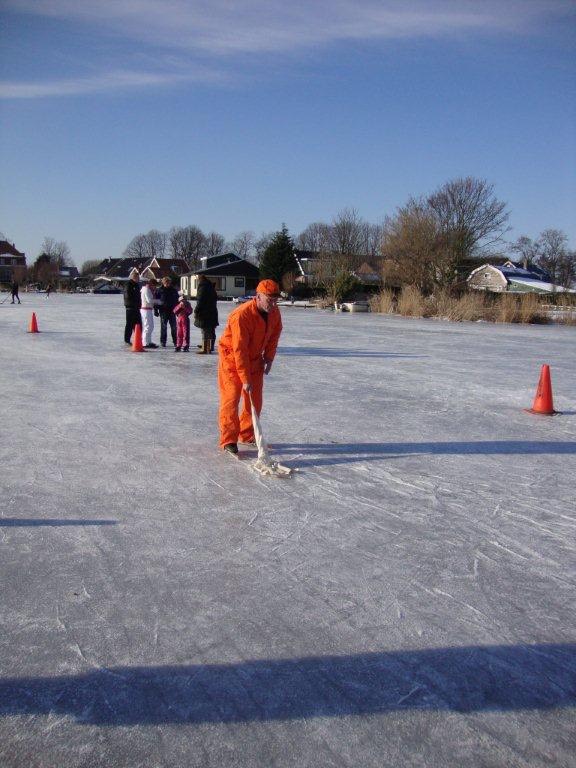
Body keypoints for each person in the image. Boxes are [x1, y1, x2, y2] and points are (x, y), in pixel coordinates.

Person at [217, 279, 282, 454]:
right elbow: (239, 350)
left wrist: (269, 358)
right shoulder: (242, 315)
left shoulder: (275, 313)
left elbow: (274, 335)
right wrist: (245, 379)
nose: (273, 304)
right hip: (232, 359)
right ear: (258, 296)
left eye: (276, 300)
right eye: (270, 299)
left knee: (255, 400)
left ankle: (246, 434)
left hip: (255, 360)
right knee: (231, 399)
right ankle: (229, 439)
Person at [194, 275, 219, 355]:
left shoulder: (203, 287)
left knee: (205, 330)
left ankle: (205, 349)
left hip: (204, 312)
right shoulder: (211, 287)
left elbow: (200, 300)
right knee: (210, 330)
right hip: (212, 311)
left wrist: (196, 310)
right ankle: (209, 347)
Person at [123, 271, 142, 345]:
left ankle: (138, 339)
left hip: (136, 308)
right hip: (130, 308)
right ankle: (127, 340)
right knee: (129, 324)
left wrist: (139, 304)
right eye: (137, 277)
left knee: (138, 324)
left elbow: (138, 296)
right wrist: (134, 304)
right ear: (134, 278)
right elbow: (128, 296)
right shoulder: (128, 285)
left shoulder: (136, 285)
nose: (139, 279)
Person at [140, 278, 159, 348]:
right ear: (151, 284)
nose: (155, 287)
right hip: (145, 309)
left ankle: (149, 341)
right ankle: (145, 343)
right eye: (155, 285)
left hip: (149, 309)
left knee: (151, 326)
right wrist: (158, 301)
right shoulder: (146, 289)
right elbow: (149, 300)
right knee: (147, 326)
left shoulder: (149, 290)